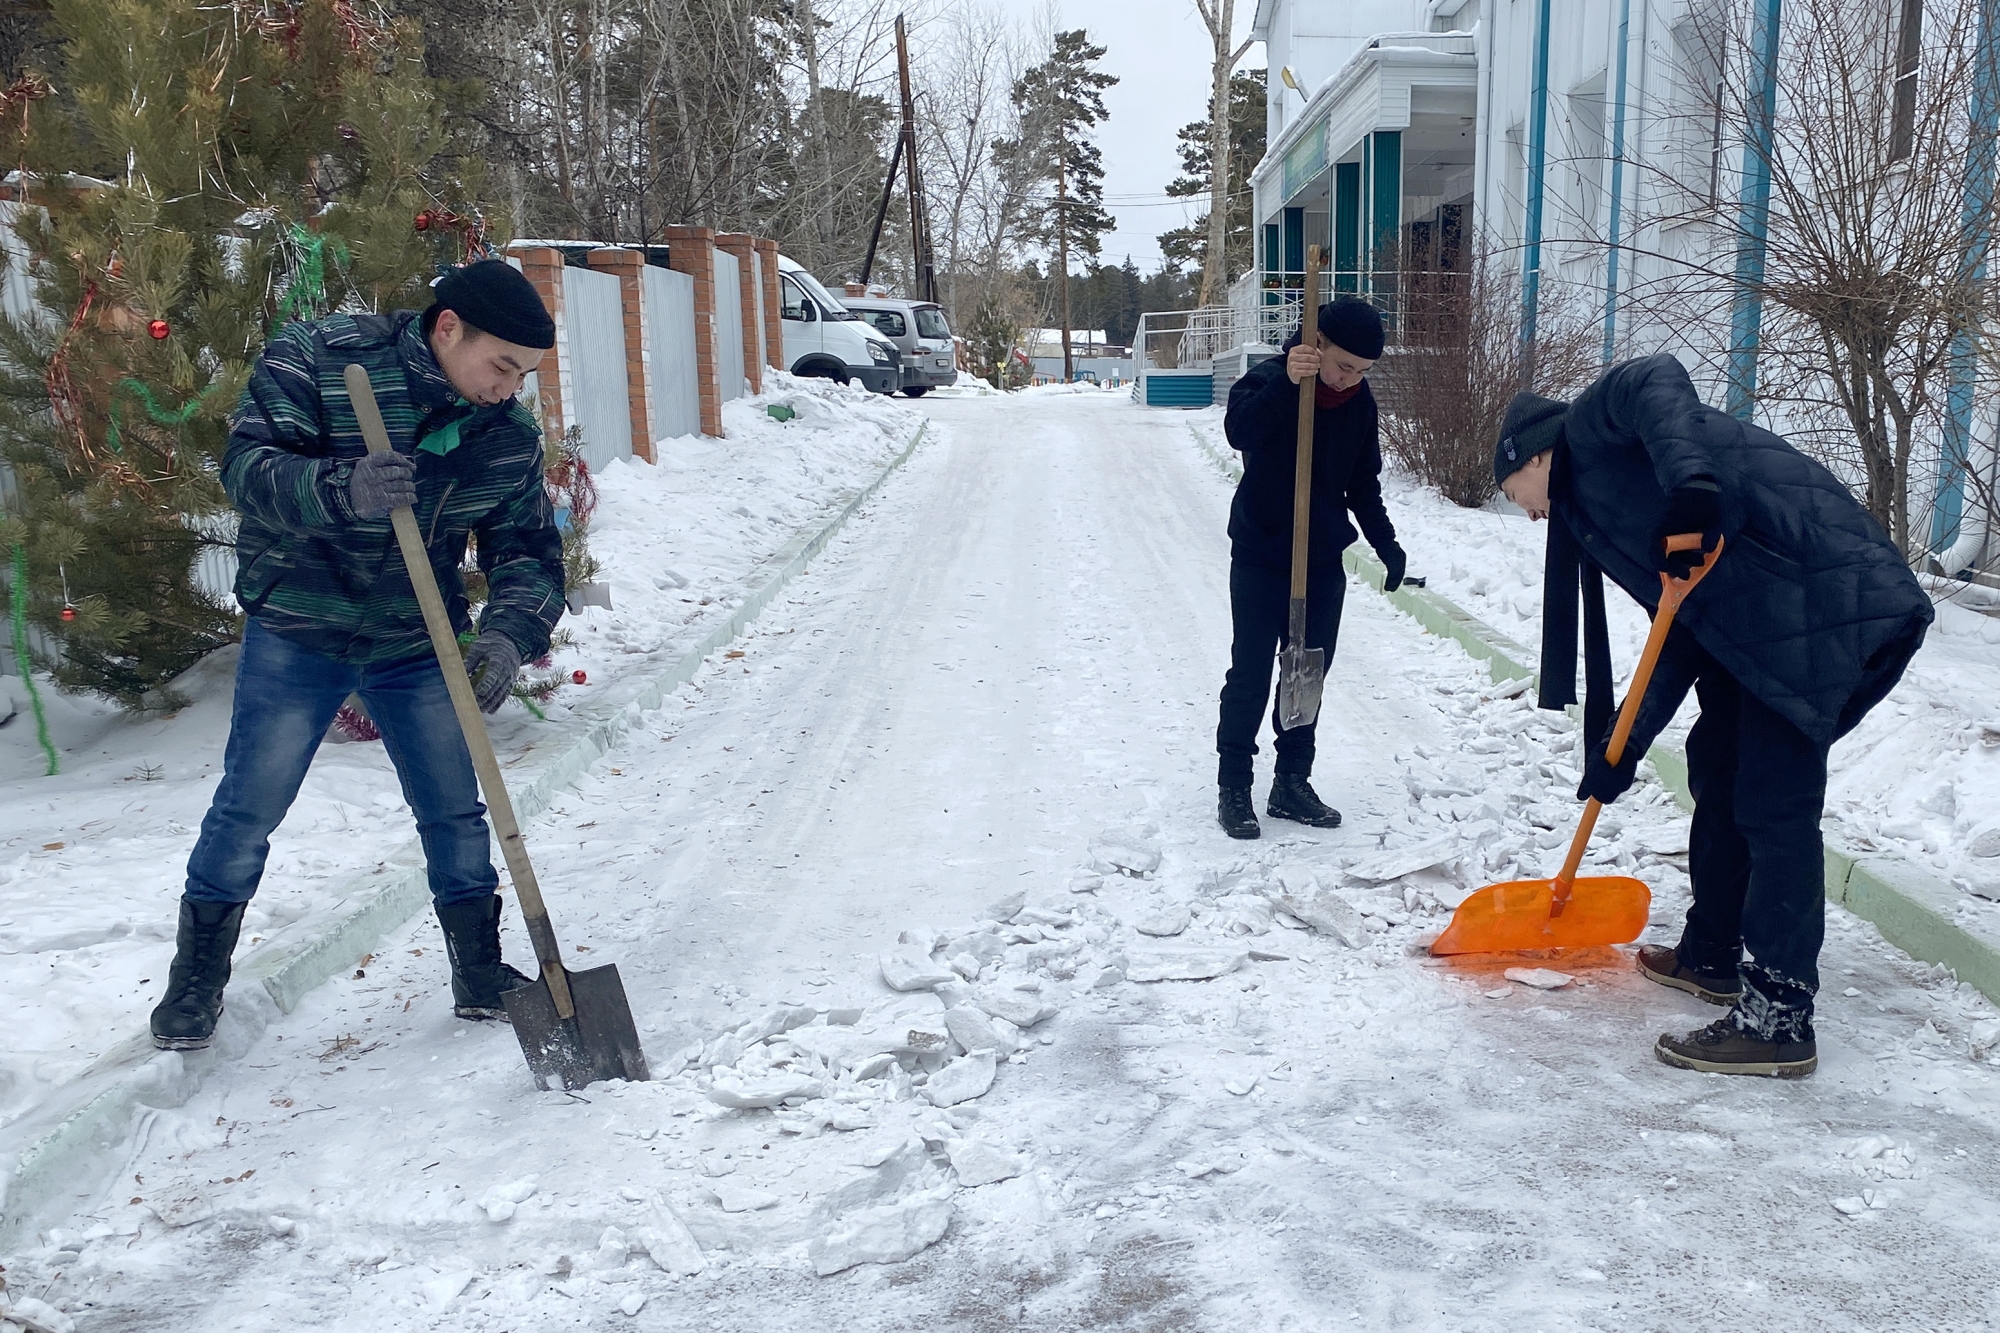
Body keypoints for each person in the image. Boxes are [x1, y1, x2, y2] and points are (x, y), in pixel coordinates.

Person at [149, 260, 566, 1051]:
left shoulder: (503, 435)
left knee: (455, 807)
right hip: (300, 627)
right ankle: (195, 981)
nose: (509, 389)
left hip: (416, 637)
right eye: (502, 365)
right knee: (250, 805)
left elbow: (527, 549)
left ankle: (479, 969)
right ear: (449, 328)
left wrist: (509, 635)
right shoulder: (320, 359)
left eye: (524, 375)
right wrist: (341, 488)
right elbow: (246, 469)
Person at [1495, 354, 1932, 1077]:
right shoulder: (1607, 503)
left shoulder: (1593, 432)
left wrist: (1691, 487)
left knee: (1773, 801)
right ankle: (1713, 953)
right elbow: (1681, 632)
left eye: (1516, 494)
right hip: (1764, 622)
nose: (1529, 513)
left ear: (1534, 456)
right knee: (1719, 768)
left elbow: (1653, 377)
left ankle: (1779, 1019)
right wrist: (1622, 750)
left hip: (1829, 608)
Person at [1215, 297, 1406, 840]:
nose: (1350, 380)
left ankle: (1291, 782)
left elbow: (1362, 484)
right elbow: (1240, 432)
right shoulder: (1267, 381)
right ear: (1316, 343)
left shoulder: (1358, 403)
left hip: (1320, 561)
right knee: (1251, 673)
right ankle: (1234, 785)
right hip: (1262, 555)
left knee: (1307, 673)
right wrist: (1287, 384)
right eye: (1344, 366)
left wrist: (1387, 544)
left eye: (1362, 371)